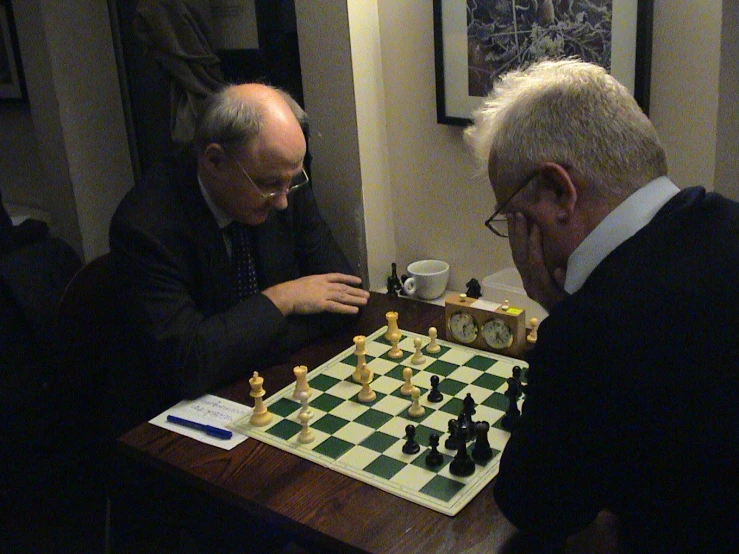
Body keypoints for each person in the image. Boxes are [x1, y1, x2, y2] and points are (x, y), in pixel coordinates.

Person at [465, 59, 738, 553]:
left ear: (558, 192)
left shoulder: (592, 330)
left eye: (514, 218)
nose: (517, 239)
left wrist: (561, 311)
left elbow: (534, 505)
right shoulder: (725, 220)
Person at [107, 83, 368, 551]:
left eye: (293, 181)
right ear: (213, 160)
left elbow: (344, 296)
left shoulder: (281, 178)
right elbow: (186, 364)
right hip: (186, 446)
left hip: (265, 395)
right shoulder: (145, 224)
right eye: (271, 184)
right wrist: (281, 301)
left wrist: (235, 339)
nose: (285, 200)